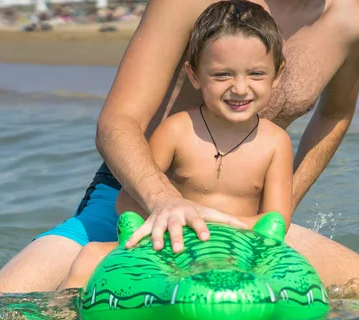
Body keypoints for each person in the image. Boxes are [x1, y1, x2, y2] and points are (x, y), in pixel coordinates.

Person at [0, 0, 359, 296]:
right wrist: (167, 202)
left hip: (242, 216)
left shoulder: (349, 22)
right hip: (137, 201)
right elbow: (117, 123)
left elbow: (335, 114)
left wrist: (276, 214)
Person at [58, 1, 292, 289]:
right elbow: (127, 201)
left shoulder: (275, 143)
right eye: (222, 75)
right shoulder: (176, 129)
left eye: (256, 74)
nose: (240, 88)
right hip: (172, 247)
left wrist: (214, 229)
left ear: (277, 74)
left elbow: (277, 221)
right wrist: (172, 225)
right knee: (89, 255)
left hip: (240, 251)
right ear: (194, 74)